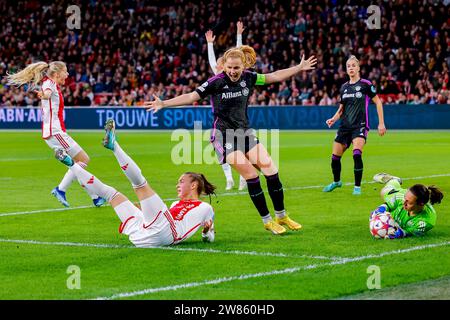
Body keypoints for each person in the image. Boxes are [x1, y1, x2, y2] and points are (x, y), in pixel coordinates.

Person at [144, 46, 317, 235]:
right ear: (224, 67)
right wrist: (164, 103)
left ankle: (282, 216)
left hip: (245, 133)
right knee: (251, 175)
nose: (233, 71)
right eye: (230, 68)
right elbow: (191, 96)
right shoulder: (215, 82)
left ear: (243, 66)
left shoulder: (249, 77)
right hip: (223, 135)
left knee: (272, 171)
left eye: (237, 68)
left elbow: (274, 76)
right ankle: (267, 221)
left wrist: (299, 68)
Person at [54, 119, 216, 247]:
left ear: (193, 185)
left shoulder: (206, 208)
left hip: (166, 232)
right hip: (142, 237)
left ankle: (114, 146)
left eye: (181, 182)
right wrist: (139, 208)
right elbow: (154, 213)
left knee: (140, 185)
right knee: (111, 195)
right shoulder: (174, 204)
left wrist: (205, 233)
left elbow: (210, 238)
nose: (177, 185)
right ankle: (71, 164)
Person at [6, 61, 106, 207]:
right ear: (57, 73)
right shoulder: (49, 85)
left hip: (54, 131)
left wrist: (44, 95)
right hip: (55, 131)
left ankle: (95, 198)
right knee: (83, 160)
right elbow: (46, 93)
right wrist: (44, 95)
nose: (67, 74)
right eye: (65, 71)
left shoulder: (51, 83)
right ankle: (61, 189)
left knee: (77, 165)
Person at [324, 55, 387, 195]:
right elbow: (341, 109)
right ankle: (336, 182)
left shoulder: (366, 84)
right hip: (344, 127)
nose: (351, 68)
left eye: (353, 65)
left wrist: (381, 123)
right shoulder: (344, 87)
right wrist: (333, 119)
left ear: (358, 68)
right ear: (346, 70)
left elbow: (378, 102)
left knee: (357, 154)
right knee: (335, 158)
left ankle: (357, 187)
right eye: (348, 66)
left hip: (360, 125)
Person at [205, 21, 247, 191]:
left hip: (237, 120)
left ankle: (244, 177)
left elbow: (239, 54)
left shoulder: (238, 73)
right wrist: (209, 44)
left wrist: (239, 34)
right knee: (223, 151)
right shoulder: (218, 78)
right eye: (223, 64)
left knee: (240, 150)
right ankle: (229, 179)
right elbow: (211, 61)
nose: (221, 66)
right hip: (222, 121)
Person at [371, 173, 443, 238]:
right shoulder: (401, 198)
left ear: (421, 204)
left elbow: (408, 232)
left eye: (408, 202)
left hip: (410, 196)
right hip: (402, 194)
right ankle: (394, 180)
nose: (404, 203)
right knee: (384, 192)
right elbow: (387, 205)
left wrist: (398, 234)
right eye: (405, 199)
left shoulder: (425, 221)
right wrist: (380, 209)